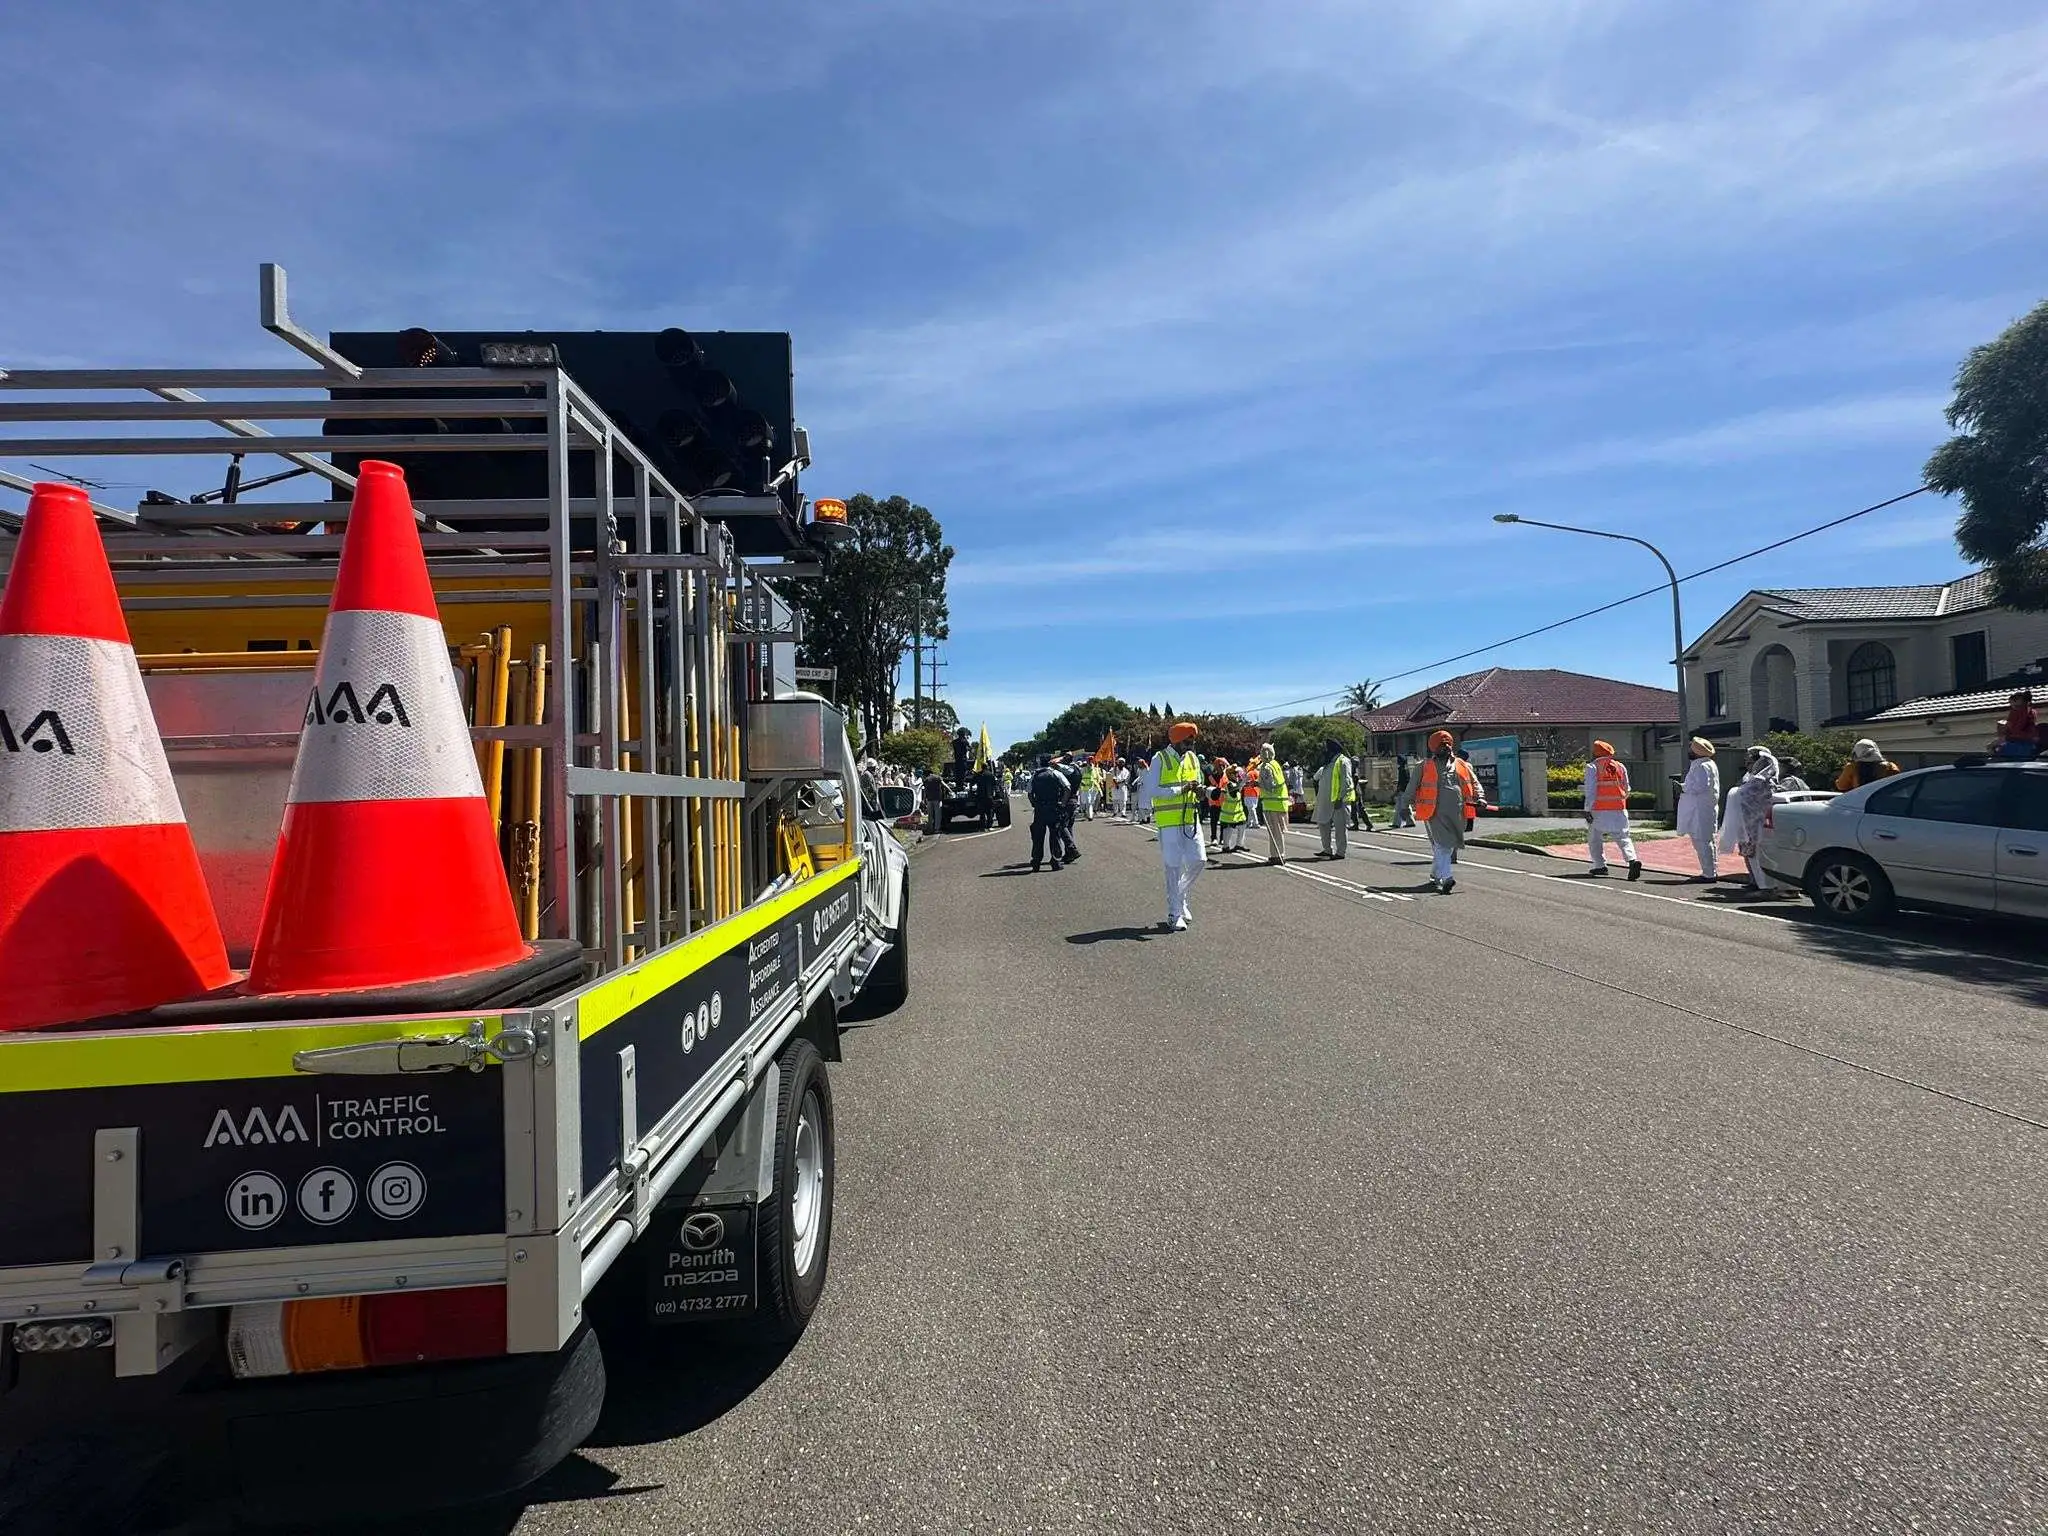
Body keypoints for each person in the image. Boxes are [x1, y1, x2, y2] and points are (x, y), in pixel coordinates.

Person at [1146, 722, 1207, 930]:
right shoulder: (1159, 759)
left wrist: (1200, 791)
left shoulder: (1192, 759)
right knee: (1173, 867)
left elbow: (1198, 782)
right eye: (1188, 741)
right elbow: (1152, 790)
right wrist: (1181, 789)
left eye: (1193, 741)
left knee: (1199, 860)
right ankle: (1174, 913)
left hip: (1191, 818)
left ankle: (1179, 898)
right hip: (1169, 823)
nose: (1191, 745)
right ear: (1177, 740)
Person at [1412, 729, 1486, 892]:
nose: (1445, 747)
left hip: (1458, 812)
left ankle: (1435, 875)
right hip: (1434, 812)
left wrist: (1480, 797)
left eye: (1447, 744)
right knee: (1443, 844)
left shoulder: (1462, 765)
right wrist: (1405, 805)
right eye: (1441, 745)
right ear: (1433, 748)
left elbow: (1475, 783)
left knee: (1446, 846)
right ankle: (1446, 878)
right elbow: (1411, 788)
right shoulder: (1423, 766)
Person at [1721, 745, 1784, 895]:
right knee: (1749, 854)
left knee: (1758, 854)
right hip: (1746, 823)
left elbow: (1751, 797)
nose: (1747, 763)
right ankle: (1755, 881)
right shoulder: (1749, 777)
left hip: (1757, 825)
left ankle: (1766, 888)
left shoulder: (1764, 779)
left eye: (1750, 760)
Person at [1584, 739, 1642, 881]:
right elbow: (1627, 788)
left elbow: (1590, 790)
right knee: (1623, 837)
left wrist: (1587, 809)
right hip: (1619, 808)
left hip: (1599, 809)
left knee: (1594, 838)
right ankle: (1632, 860)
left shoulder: (1593, 767)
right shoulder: (1620, 766)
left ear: (1596, 753)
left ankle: (1600, 865)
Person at [1675, 737, 1721, 884]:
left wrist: (1683, 788)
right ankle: (1708, 871)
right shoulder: (1703, 764)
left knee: (1703, 840)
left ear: (1696, 751)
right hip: (1701, 808)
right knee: (1703, 840)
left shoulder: (1702, 766)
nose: (1689, 751)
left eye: (1691, 748)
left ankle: (1709, 874)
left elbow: (1700, 787)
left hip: (1701, 810)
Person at [1315, 740, 1355, 859]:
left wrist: (1340, 798)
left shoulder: (1343, 761)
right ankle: (1327, 849)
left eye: (1327, 749)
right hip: (1325, 801)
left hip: (1339, 801)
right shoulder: (1328, 763)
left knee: (1340, 828)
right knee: (1323, 824)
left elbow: (1346, 782)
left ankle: (1340, 852)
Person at [1027, 757, 1070, 871]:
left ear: (1040, 763)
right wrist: (1062, 803)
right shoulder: (1056, 773)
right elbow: (1067, 788)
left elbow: (1029, 793)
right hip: (1053, 808)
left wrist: (1034, 804)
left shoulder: (1035, 776)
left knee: (1038, 837)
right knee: (1055, 835)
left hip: (1040, 809)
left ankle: (1036, 862)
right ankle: (1056, 861)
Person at [1258, 744, 1290, 864]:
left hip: (1272, 804)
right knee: (1278, 831)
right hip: (1280, 802)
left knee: (1274, 832)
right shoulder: (1275, 764)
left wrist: (1257, 783)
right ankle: (1277, 855)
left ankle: (1277, 856)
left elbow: (1269, 787)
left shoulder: (1266, 767)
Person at [1834, 738, 1901, 791]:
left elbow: (1841, 786)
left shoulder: (1852, 767)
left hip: (1859, 802)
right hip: (1882, 801)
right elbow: (1898, 786)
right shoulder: (1890, 766)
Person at [1053, 753, 1083, 864]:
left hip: (1067, 800)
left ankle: (1072, 849)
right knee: (1068, 827)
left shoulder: (1070, 769)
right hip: (1074, 800)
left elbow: (1053, 763)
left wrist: (1061, 758)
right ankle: (1069, 854)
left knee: (1061, 825)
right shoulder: (1077, 769)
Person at [1216, 763, 1248, 854]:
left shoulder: (1235, 783)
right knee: (1228, 829)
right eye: (1235, 774)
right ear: (1230, 775)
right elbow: (1234, 792)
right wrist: (1242, 782)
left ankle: (1239, 844)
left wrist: (1245, 783)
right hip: (1229, 813)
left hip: (1238, 813)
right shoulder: (1229, 784)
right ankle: (1226, 846)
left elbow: (1239, 788)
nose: (1237, 775)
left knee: (1242, 826)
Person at [1392, 754, 1415, 827]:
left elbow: (1402, 782)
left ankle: (1398, 823)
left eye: (1398, 760)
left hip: (1403, 791)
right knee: (1404, 806)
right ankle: (1409, 822)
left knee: (1401, 807)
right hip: (1406, 790)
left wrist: (1396, 791)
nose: (1397, 762)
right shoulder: (1406, 769)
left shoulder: (1402, 770)